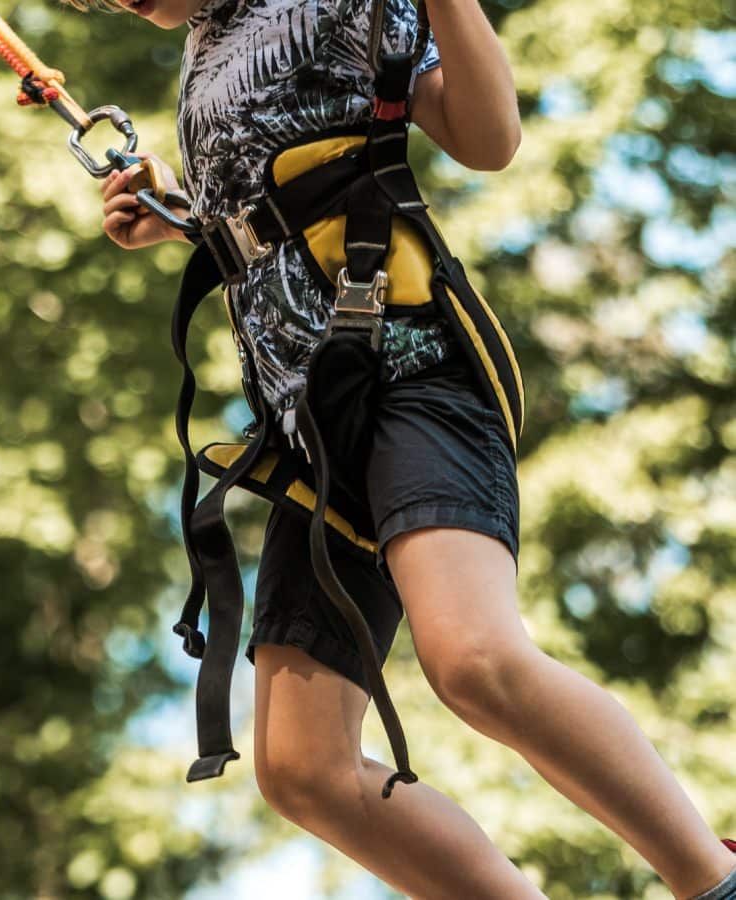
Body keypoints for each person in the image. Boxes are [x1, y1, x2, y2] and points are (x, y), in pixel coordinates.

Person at [80, 0, 736, 895]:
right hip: (313, 430)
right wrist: (180, 211)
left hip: (409, 370)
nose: (123, 3)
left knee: (474, 660)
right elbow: (285, 185)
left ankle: (710, 879)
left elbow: (488, 137)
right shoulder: (205, 44)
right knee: (301, 768)